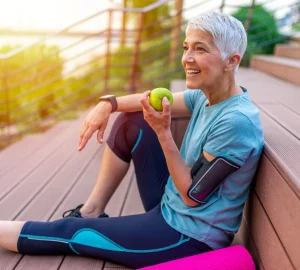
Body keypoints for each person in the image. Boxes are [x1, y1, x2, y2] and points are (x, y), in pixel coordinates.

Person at [0, 11, 264, 269]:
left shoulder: (236, 122)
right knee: (132, 120)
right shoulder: (207, 97)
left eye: (200, 49)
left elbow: (192, 197)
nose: (187, 58)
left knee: (72, 232)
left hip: (188, 236)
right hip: (170, 206)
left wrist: (163, 133)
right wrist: (109, 104)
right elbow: (145, 100)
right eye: (186, 47)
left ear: (231, 60)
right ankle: (91, 209)